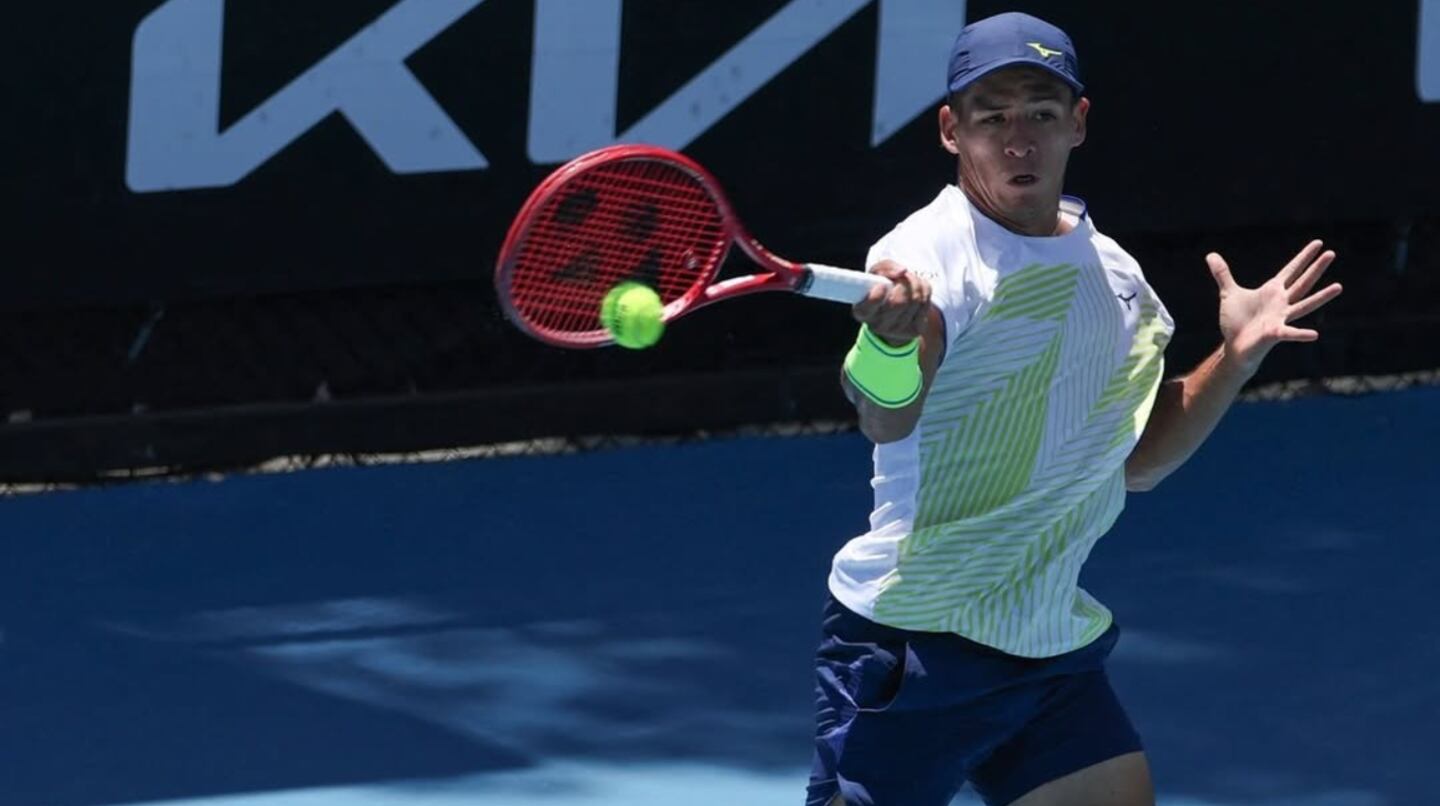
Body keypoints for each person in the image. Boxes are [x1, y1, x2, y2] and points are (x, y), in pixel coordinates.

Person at [807, 11, 1342, 806]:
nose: (1018, 140)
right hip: (917, 639)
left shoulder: (1116, 281)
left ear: (1077, 122)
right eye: (992, 118)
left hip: (1046, 641)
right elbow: (887, 419)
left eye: (1040, 113)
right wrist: (887, 344)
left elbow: (1137, 461)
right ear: (952, 131)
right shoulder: (929, 254)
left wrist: (1235, 359)